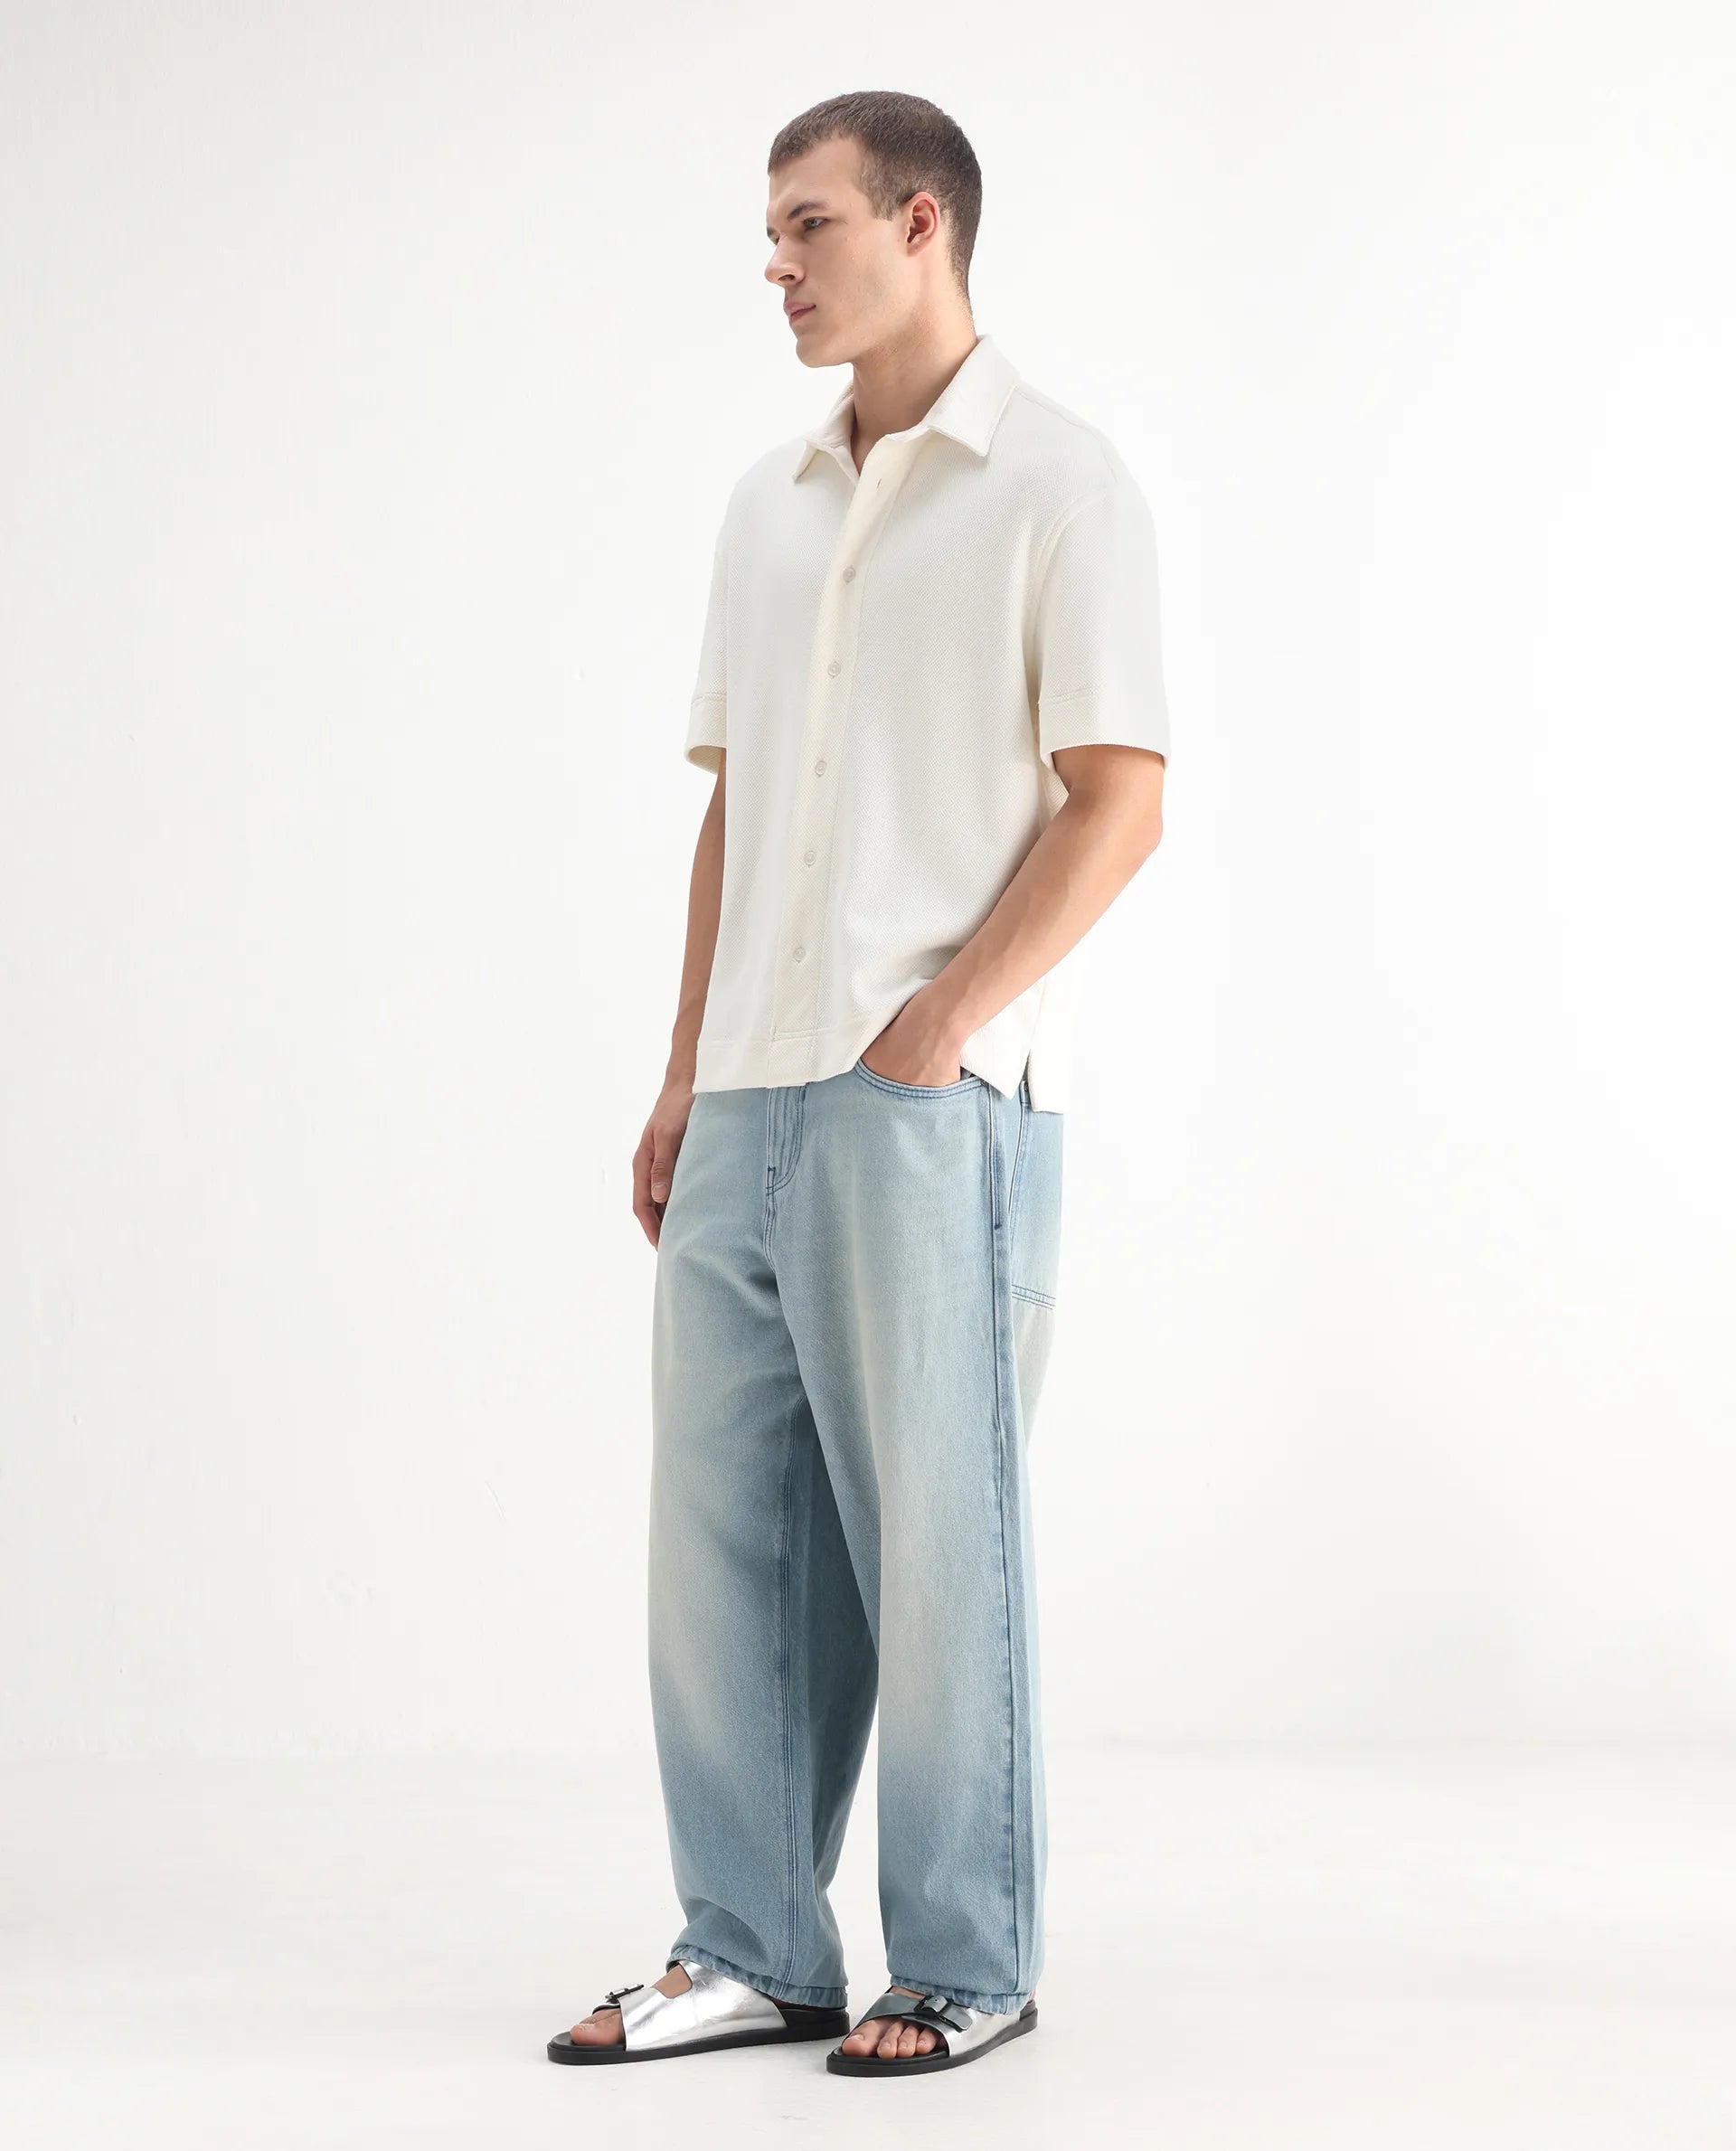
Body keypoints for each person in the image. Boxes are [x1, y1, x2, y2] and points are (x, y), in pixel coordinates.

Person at [548, 88, 1170, 2079]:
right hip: (748, 1085)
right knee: (718, 1544)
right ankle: (751, 1941)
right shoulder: (769, 504)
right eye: (771, 231)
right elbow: (734, 810)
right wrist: (683, 1068)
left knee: (937, 1541)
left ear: (922, 224)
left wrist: (945, 1020)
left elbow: (1118, 798)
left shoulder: (1062, 482)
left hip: (928, 1097)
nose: (778, 266)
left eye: (808, 226)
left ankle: (969, 1958)